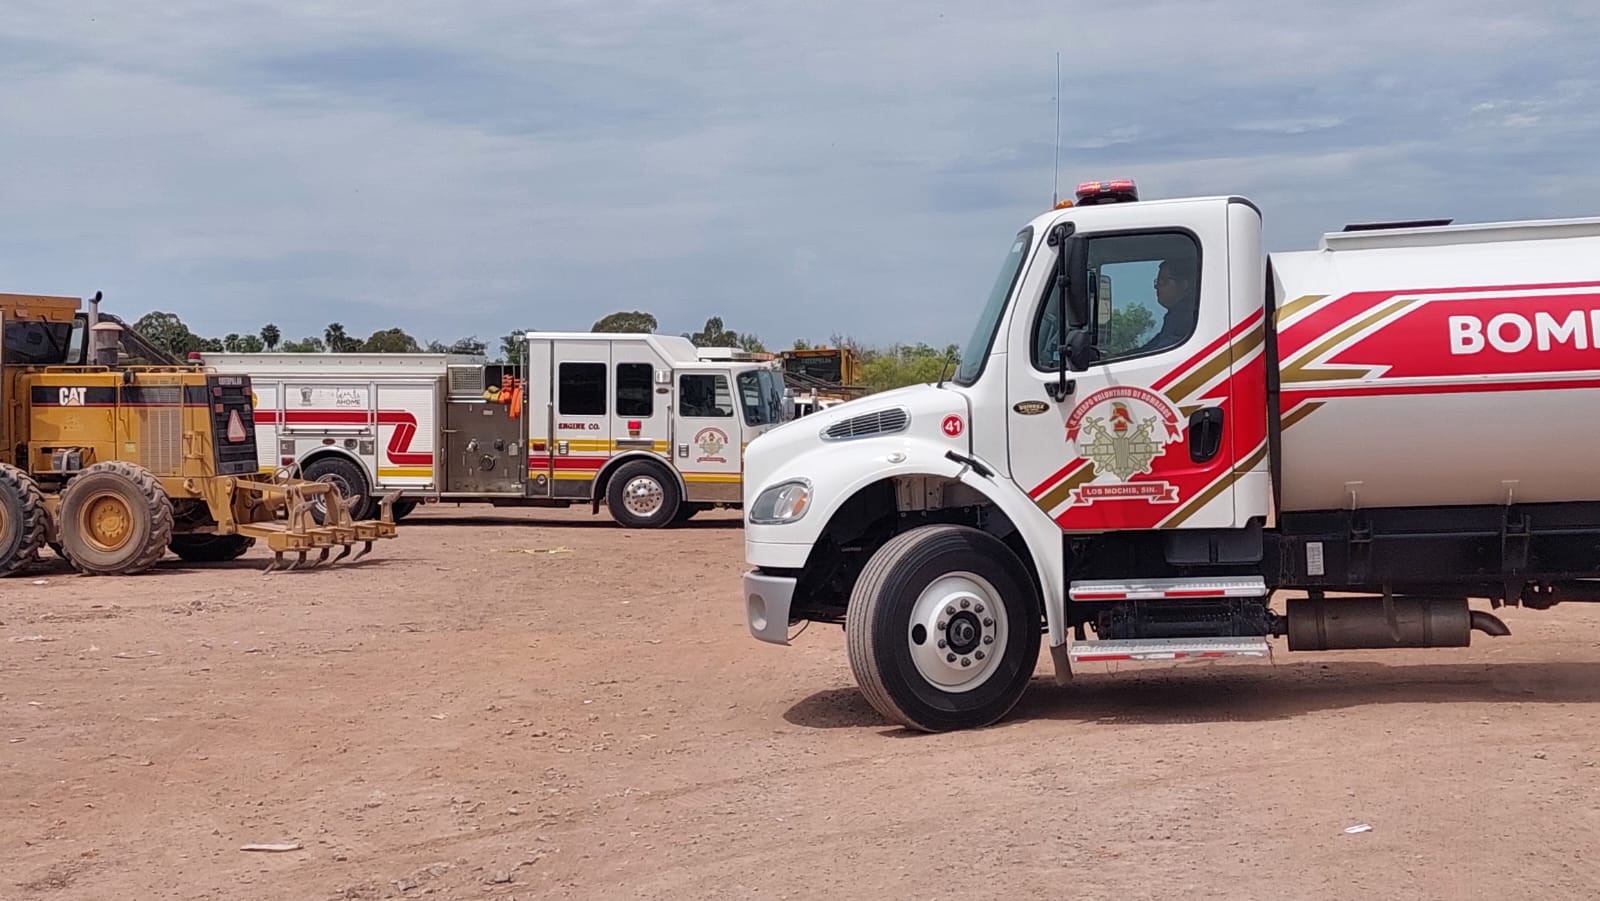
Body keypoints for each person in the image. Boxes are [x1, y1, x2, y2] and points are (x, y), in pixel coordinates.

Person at [1135, 255, 1199, 355]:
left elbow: (1160, 351)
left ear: (1183, 285)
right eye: (1157, 281)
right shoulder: (1175, 315)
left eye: (1163, 281)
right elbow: (1151, 347)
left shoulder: (1185, 317)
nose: (1156, 286)